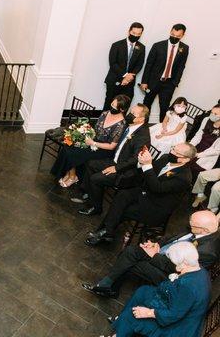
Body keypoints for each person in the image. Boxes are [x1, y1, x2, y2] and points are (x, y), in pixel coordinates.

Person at [83, 210, 219, 298]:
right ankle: (108, 286)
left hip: (169, 273)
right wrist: (156, 244)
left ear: (204, 230)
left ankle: (109, 286)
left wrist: (154, 255)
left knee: (131, 260)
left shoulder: (207, 252)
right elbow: (172, 238)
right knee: (131, 252)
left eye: (193, 225)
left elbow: (178, 270)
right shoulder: (198, 229)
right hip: (161, 253)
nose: (190, 225)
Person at [85, 142, 196, 246]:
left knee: (123, 209)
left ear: (185, 159)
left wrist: (147, 165)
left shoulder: (184, 178)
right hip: (146, 192)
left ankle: (103, 232)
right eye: (173, 148)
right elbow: (148, 173)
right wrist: (141, 163)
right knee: (122, 195)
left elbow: (158, 188)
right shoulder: (165, 158)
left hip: (156, 206)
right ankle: (107, 232)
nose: (172, 152)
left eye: (177, 153)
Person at [105, 242, 210, 337]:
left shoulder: (188, 287)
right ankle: (121, 324)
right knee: (143, 291)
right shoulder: (197, 268)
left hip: (177, 327)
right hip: (176, 305)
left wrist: (149, 313)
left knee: (131, 315)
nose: (174, 265)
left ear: (183, 263)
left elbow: (174, 315)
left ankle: (119, 332)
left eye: (175, 263)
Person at [72, 104, 151, 216]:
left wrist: (116, 168)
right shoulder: (131, 125)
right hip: (115, 160)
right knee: (90, 163)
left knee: (95, 178)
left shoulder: (142, 136)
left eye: (133, 114)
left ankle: (96, 208)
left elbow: (135, 159)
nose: (129, 115)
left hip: (126, 171)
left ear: (141, 119)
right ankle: (90, 194)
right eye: (131, 111)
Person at [51, 95, 129, 188]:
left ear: (122, 110)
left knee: (72, 153)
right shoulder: (105, 113)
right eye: (112, 104)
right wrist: (84, 134)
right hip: (93, 140)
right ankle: (69, 173)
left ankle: (73, 177)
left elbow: (112, 146)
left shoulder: (121, 124)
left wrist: (93, 143)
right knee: (68, 146)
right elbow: (95, 129)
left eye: (115, 107)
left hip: (103, 149)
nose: (112, 107)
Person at [141, 24, 189, 122]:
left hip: (169, 83)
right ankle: (142, 125)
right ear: (170, 31)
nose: (174, 37)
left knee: (164, 108)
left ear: (183, 35)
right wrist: (144, 81)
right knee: (146, 104)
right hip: (153, 81)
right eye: (173, 34)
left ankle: (161, 128)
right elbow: (149, 64)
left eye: (178, 36)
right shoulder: (158, 45)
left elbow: (181, 67)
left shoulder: (185, 48)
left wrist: (175, 83)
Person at [103, 22, 146, 110]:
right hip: (114, 79)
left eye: (138, 34)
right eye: (134, 33)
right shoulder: (116, 45)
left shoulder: (141, 47)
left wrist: (130, 76)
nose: (135, 35)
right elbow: (113, 63)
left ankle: (120, 123)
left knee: (125, 104)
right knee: (109, 103)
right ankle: (103, 122)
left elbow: (139, 64)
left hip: (129, 82)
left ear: (141, 34)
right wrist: (125, 75)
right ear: (129, 31)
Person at [189, 104, 220, 178]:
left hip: (208, 154)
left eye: (216, 114)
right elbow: (198, 135)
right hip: (198, 146)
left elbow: (217, 150)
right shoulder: (206, 119)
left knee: (194, 172)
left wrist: (198, 155)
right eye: (212, 113)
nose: (212, 115)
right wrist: (190, 146)